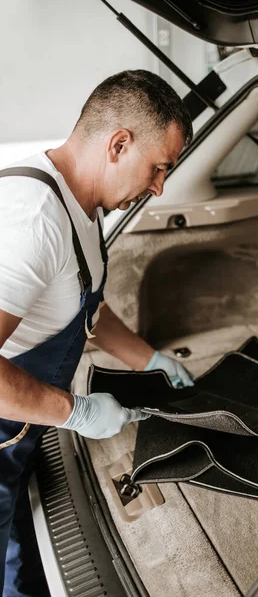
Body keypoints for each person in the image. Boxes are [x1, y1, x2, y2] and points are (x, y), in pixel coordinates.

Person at [0, 69, 194, 596]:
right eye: (158, 168)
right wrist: (75, 412)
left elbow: (80, 305)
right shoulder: (34, 219)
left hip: (18, 429)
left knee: (21, 563)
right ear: (119, 143)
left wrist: (147, 359)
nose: (158, 187)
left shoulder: (79, 204)